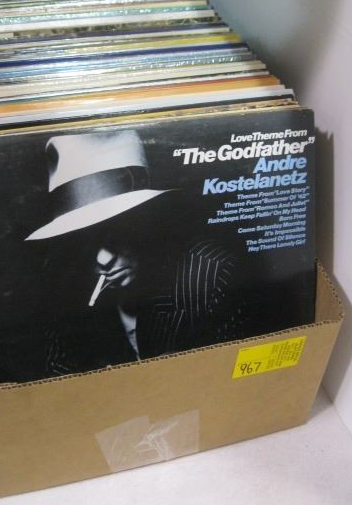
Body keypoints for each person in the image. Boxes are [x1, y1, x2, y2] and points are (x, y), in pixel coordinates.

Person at [26, 129, 247, 377]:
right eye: (85, 238)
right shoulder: (65, 295)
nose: (103, 259)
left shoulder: (210, 273)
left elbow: (226, 378)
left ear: (146, 219)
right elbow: (60, 380)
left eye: (115, 231)